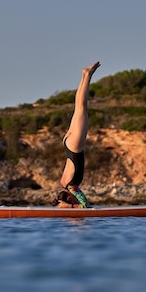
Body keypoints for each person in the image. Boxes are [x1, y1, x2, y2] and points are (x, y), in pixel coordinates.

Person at [55, 61, 101, 208]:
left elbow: (84, 205)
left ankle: (87, 75)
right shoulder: (64, 183)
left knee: (82, 108)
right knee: (79, 108)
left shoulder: (72, 187)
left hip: (75, 146)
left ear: (70, 197)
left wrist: (70, 206)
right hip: (68, 143)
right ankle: (85, 75)